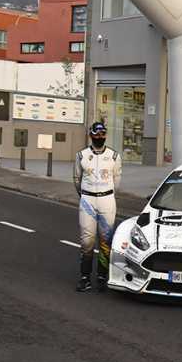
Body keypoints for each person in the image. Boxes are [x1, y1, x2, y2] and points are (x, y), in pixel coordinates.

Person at [73, 122, 121, 293]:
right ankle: (85, 277)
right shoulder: (81, 156)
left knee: (105, 241)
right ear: (91, 135)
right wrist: (85, 195)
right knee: (86, 241)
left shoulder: (114, 156)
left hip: (107, 200)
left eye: (103, 134)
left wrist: (106, 194)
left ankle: (102, 277)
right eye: (97, 134)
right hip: (87, 200)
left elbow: (116, 180)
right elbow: (77, 179)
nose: (100, 137)